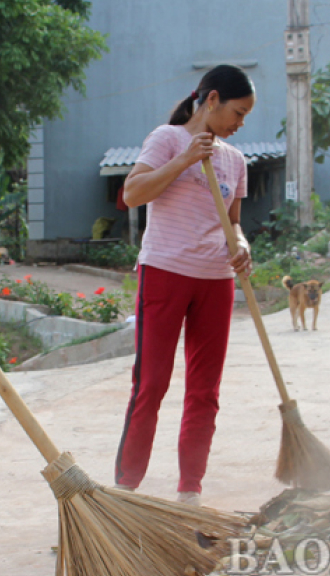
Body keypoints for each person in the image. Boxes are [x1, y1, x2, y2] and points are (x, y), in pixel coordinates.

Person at [114, 64, 255, 506]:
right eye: (237, 112)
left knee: (205, 389)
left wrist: (243, 246)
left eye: (246, 116)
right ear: (211, 99)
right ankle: (126, 489)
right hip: (165, 272)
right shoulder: (167, 138)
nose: (240, 123)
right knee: (151, 382)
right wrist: (184, 160)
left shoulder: (235, 160)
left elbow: (234, 224)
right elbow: (133, 194)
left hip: (216, 280)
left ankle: (190, 490)